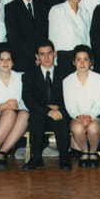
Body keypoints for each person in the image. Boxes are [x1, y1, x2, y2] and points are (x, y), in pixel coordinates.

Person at [21, 40, 72, 171]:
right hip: (40, 111)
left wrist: (58, 108)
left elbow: (71, 96)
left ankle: (64, 157)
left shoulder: (65, 73)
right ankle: (36, 157)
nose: (47, 57)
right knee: (36, 117)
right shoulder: (29, 75)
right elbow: (28, 99)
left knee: (61, 117)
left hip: (60, 109)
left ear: (55, 54)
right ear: (37, 56)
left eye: (49, 53)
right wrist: (47, 110)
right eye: (42, 54)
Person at [0, 49, 29, 171]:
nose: (5, 62)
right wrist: (4, 106)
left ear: (13, 62)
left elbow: (26, 102)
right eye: (1, 59)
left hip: (17, 117)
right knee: (9, 113)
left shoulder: (21, 77)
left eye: (9, 59)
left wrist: (18, 106)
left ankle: (3, 152)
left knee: (25, 114)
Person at [63, 45, 100, 168]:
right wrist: (79, 116)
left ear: (90, 62)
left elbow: (99, 103)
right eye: (79, 59)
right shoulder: (67, 80)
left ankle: (93, 152)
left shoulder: (98, 78)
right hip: (76, 117)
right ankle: (85, 151)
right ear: (74, 62)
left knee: (93, 128)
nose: (82, 63)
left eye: (85, 59)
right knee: (77, 129)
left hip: (95, 116)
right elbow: (69, 105)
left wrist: (90, 116)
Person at [4, 0, 49, 73]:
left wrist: (41, 56)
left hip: (42, 60)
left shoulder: (42, 6)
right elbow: (14, 37)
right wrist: (34, 57)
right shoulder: (10, 8)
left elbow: (45, 33)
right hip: (22, 61)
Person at [48, 0, 90, 76]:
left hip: (81, 58)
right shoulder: (57, 10)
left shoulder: (85, 12)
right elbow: (52, 38)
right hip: (64, 58)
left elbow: (87, 38)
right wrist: (53, 60)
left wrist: (89, 58)